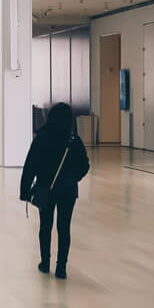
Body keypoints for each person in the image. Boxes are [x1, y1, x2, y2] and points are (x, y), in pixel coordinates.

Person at [19, 103, 90, 280]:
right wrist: (73, 178)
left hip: (45, 189)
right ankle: (61, 268)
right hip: (68, 191)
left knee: (46, 226)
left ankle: (45, 263)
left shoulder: (42, 137)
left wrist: (25, 191)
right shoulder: (73, 140)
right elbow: (85, 166)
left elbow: (30, 166)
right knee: (64, 228)